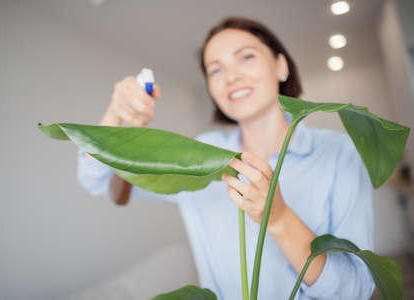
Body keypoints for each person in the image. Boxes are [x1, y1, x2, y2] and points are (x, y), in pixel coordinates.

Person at [77, 17, 375, 300]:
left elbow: (355, 290)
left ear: (281, 66)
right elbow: (105, 185)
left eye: (246, 57)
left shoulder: (339, 153)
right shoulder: (201, 154)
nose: (231, 76)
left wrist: (280, 218)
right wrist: (116, 118)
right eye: (215, 70)